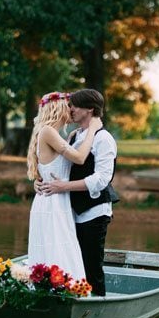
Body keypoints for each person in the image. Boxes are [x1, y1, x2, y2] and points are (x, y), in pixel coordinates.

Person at [37, 89, 117, 296]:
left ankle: (99, 308)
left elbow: (101, 180)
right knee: (74, 265)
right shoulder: (76, 136)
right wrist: (41, 183)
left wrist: (63, 187)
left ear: (89, 109)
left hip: (93, 212)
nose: (70, 109)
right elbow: (57, 168)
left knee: (92, 267)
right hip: (70, 212)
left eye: (75, 106)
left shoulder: (103, 139)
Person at [26, 91, 103, 281]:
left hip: (57, 199)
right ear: (58, 108)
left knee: (60, 248)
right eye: (68, 106)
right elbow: (79, 158)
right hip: (52, 202)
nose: (72, 109)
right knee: (57, 248)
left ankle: (62, 289)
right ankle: (63, 289)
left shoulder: (55, 134)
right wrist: (93, 130)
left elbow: (54, 164)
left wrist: (76, 137)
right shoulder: (48, 131)